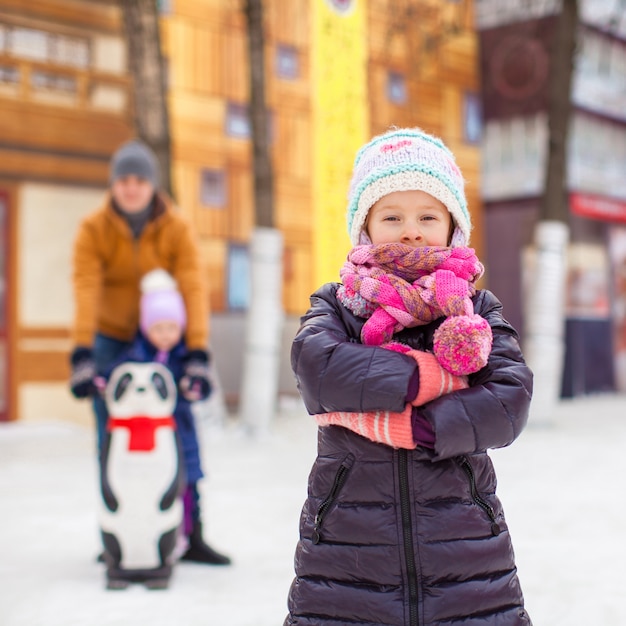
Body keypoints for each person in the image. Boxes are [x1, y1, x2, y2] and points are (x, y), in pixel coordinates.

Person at [285, 127, 533, 625]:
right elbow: (317, 367)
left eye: (427, 216)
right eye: (392, 216)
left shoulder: (475, 308)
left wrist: (419, 428)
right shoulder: (338, 303)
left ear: (452, 225)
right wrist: (428, 377)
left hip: (464, 547)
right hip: (347, 549)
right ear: (365, 226)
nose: (411, 230)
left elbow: (509, 398)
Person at [69, 139, 229, 565]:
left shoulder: (175, 226)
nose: (131, 188)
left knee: (177, 431)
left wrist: (195, 350)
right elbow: (87, 287)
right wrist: (83, 352)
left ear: (152, 185)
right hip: (110, 338)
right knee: (112, 437)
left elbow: (193, 284)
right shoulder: (94, 228)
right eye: (123, 180)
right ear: (114, 184)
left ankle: (192, 533)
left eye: (139, 179)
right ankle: (116, 532)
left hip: (162, 340)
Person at [102, 268, 230, 565]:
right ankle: (133, 537)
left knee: (188, 483)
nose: (165, 335)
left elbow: (203, 384)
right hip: (146, 437)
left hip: (181, 432)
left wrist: (196, 385)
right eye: (158, 328)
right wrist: (102, 381)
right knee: (145, 486)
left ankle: (192, 536)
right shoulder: (135, 354)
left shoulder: (187, 355)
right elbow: (116, 377)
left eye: (171, 328)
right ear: (147, 328)